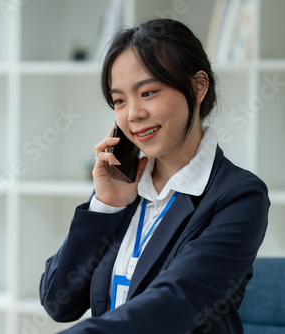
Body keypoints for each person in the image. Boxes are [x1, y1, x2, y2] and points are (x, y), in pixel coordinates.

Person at [39, 18, 269, 333]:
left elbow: (177, 302)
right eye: (119, 100)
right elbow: (57, 302)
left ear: (198, 87)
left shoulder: (239, 197)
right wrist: (106, 207)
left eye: (148, 92)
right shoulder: (126, 187)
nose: (133, 113)